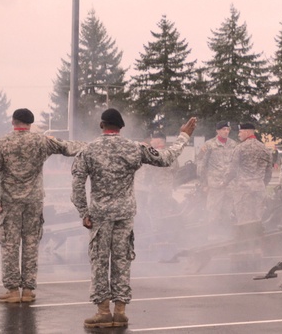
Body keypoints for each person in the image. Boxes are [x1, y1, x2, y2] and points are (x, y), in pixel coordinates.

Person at [71, 109, 194, 329]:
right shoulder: (134, 147)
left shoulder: (88, 150)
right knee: (122, 260)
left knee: (100, 261)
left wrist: (83, 212)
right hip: (125, 214)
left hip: (99, 215)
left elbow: (77, 185)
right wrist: (184, 136)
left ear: (102, 125)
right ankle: (120, 311)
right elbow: (166, 158)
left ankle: (102, 311)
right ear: (120, 128)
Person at [0, 108, 82, 304]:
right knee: (31, 243)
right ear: (30, 123)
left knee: (10, 245)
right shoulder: (42, 141)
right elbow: (69, 148)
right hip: (34, 201)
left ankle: (12, 290)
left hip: (9, 203)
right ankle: (28, 290)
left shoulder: (0, 144)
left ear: (13, 122)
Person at [223, 122, 272, 226]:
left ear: (247, 132)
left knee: (244, 221)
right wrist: (261, 184)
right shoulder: (265, 149)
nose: (238, 134)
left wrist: (224, 182)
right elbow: (268, 173)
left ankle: (244, 241)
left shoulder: (240, 148)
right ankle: (257, 240)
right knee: (257, 220)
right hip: (259, 189)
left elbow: (232, 170)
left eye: (240, 132)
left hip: (243, 190)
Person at [195, 120, 237, 235]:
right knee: (213, 212)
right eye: (223, 129)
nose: (226, 131)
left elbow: (236, 164)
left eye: (228, 129)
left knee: (227, 211)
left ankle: (226, 236)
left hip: (229, 185)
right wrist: (204, 183)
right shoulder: (209, 145)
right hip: (214, 185)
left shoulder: (233, 144)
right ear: (217, 131)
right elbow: (201, 164)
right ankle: (212, 236)